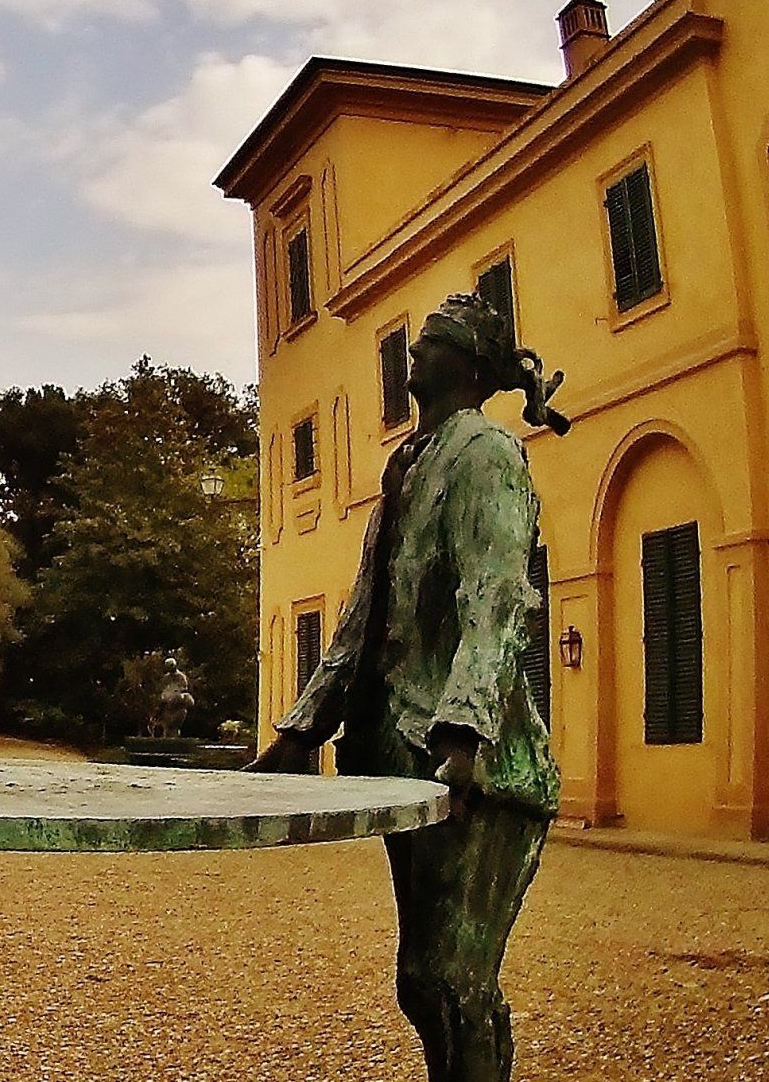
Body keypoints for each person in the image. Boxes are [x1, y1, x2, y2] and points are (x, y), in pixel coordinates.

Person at [250, 292, 567, 1082]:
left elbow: (494, 597)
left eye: (432, 340)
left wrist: (461, 734)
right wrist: (302, 730)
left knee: (456, 983)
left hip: (481, 770)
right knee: (422, 981)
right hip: (408, 753)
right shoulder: (409, 464)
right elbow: (363, 617)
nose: (413, 352)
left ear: (470, 363)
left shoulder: (487, 453)